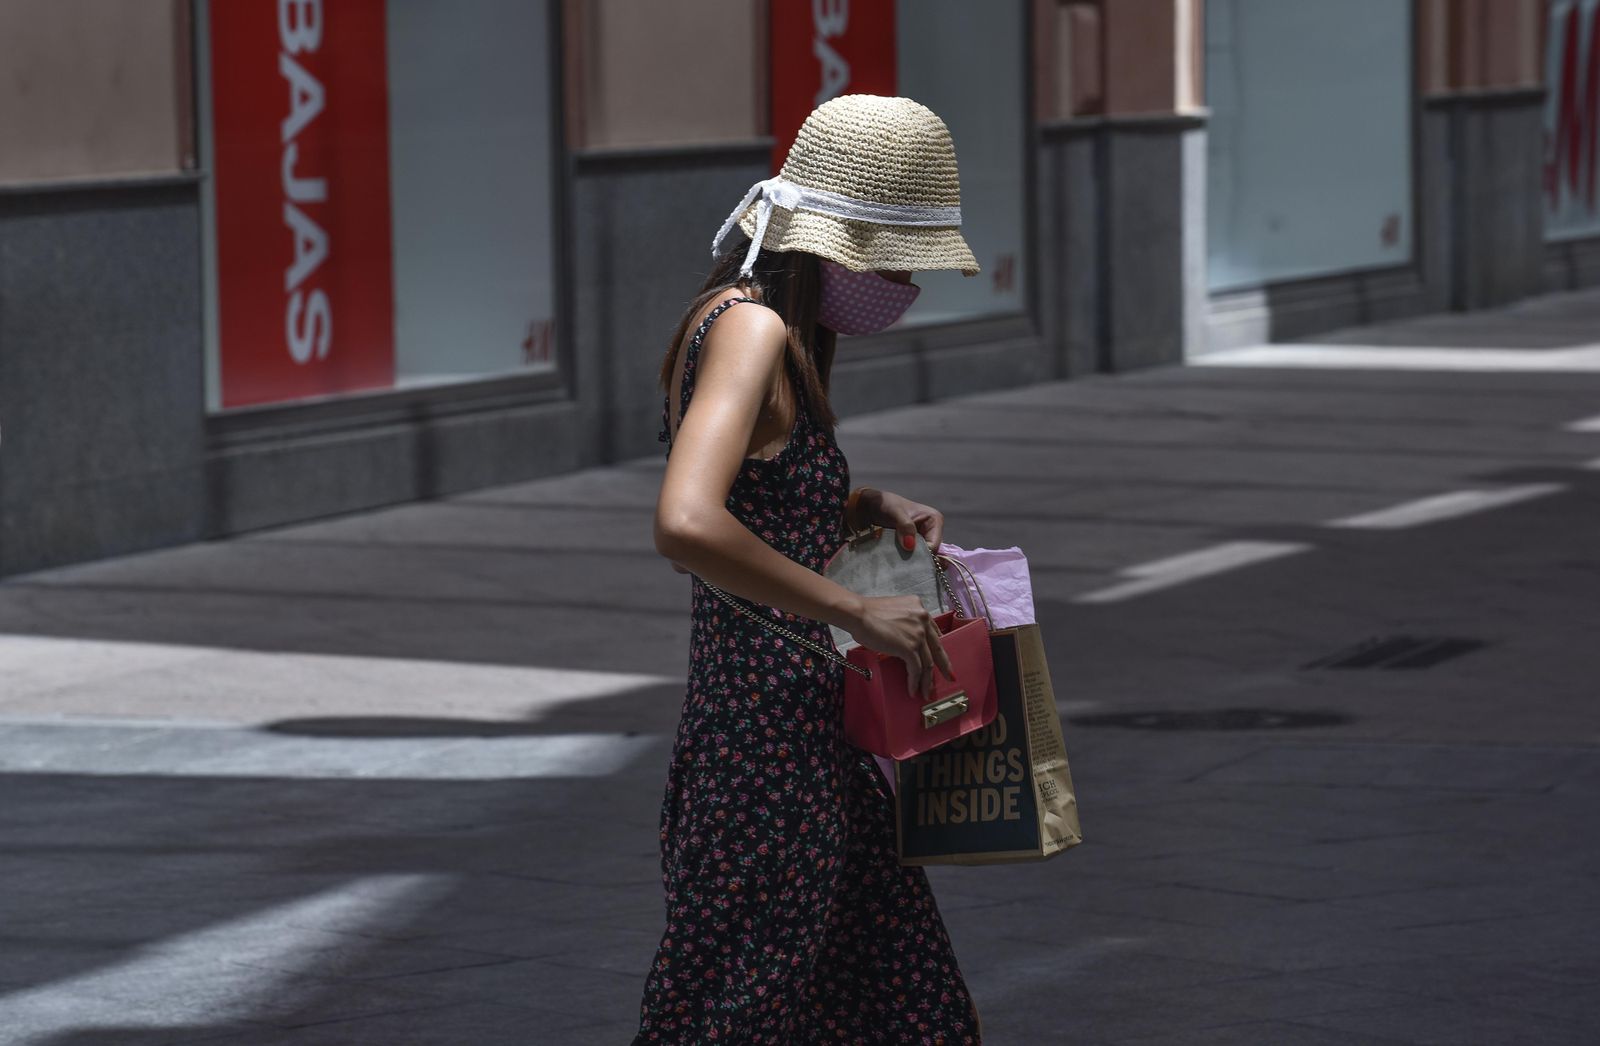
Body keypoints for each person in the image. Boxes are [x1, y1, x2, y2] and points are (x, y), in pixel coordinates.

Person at [633, 94, 984, 1044]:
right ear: (837, 243)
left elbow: (756, 501)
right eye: (896, 255)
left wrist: (859, 505)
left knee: (900, 1006)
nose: (906, 279)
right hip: (765, 753)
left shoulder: (766, 326)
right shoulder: (750, 329)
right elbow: (686, 519)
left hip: (796, 736)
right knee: (735, 1016)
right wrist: (856, 609)